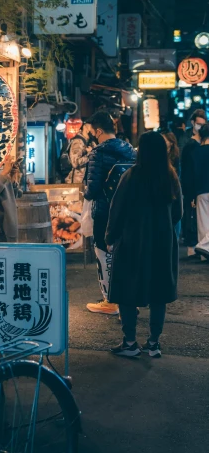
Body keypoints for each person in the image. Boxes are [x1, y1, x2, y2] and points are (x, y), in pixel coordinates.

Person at [106, 131, 182, 358]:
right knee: (159, 291)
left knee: (127, 288)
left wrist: (110, 237)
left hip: (133, 241)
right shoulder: (170, 177)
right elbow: (178, 213)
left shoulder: (131, 176)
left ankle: (130, 342)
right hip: (163, 242)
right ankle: (154, 343)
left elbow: (116, 210)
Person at [84, 111, 136, 315]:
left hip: (105, 211)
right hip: (128, 211)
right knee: (125, 254)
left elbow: (92, 189)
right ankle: (128, 298)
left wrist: (86, 192)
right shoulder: (131, 150)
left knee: (103, 252)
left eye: (91, 132)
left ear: (98, 131)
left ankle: (110, 301)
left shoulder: (98, 152)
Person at [180, 108, 207, 256]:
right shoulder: (188, 143)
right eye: (198, 124)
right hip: (192, 187)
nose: (200, 127)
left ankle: (201, 248)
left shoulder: (199, 145)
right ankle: (195, 247)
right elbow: (187, 170)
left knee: (200, 220)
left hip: (199, 187)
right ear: (192, 123)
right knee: (193, 217)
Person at [194, 122, 209, 259]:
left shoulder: (197, 151)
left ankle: (204, 254)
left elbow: (194, 173)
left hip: (201, 190)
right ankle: (204, 246)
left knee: (203, 222)